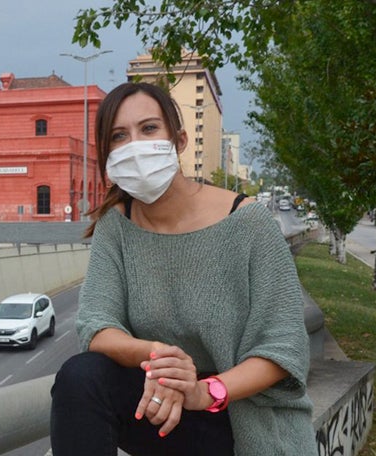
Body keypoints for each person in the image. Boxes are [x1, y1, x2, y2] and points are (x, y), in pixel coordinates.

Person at [49, 82, 315, 455]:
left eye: (149, 129)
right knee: (80, 377)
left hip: (237, 412)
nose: (135, 145)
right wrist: (162, 357)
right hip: (162, 407)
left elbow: (283, 348)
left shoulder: (249, 221)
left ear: (180, 140)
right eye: (119, 136)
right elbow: (96, 327)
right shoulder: (116, 226)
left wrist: (203, 392)